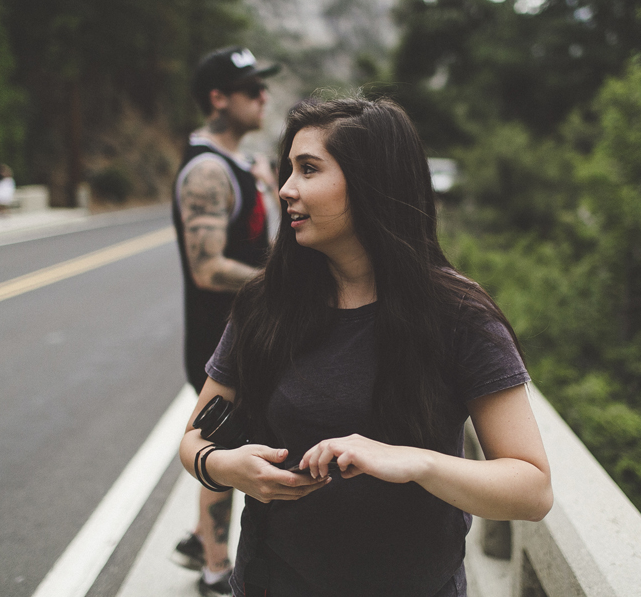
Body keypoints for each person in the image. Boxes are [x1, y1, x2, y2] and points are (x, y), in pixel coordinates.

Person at [179, 97, 553, 597]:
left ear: (371, 182)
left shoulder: (459, 315)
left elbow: (532, 489)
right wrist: (226, 467)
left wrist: (417, 462)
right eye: (287, 169)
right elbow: (193, 440)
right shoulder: (265, 305)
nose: (286, 189)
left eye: (308, 169)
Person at [171, 46, 280, 595]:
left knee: (236, 444)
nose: (264, 96)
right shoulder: (208, 171)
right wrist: (285, 283)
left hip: (246, 337)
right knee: (224, 449)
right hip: (220, 344)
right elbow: (208, 267)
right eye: (251, 88)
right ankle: (216, 569)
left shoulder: (238, 165)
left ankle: (198, 537)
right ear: (218, 99)